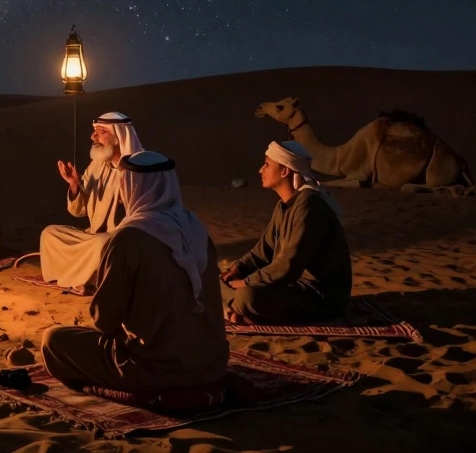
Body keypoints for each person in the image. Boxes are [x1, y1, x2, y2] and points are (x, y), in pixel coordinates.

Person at [41, 151, 228, 393]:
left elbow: (104, 319)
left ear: (132, 187)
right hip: (211, 366)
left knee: (54, 340)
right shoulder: (197, 230)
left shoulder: (128, 239)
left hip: (156, 368)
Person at [220, 141, 352, 324]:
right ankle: (235, 311)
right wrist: (239, 269)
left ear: (284, 171)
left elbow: (288, 266)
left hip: (320, 295)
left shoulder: (310, 206)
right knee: (219, 276)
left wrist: (245, 282)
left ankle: (233, 309)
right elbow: (264, 251)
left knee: (248, 296)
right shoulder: (284, 205)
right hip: (292, 286)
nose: (260, 170)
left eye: (267, 164)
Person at [38, 112, 144, 289]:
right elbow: (79, 211)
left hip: (120, 238)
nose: (93, 136)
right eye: (94, 131)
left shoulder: (138, 169)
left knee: (102, 244)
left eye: (101, 132)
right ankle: (79, 277)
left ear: (119, 136)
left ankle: (88, 279)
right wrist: (74, 184)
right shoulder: (97, 164)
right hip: (93, 235)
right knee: (50, 233)